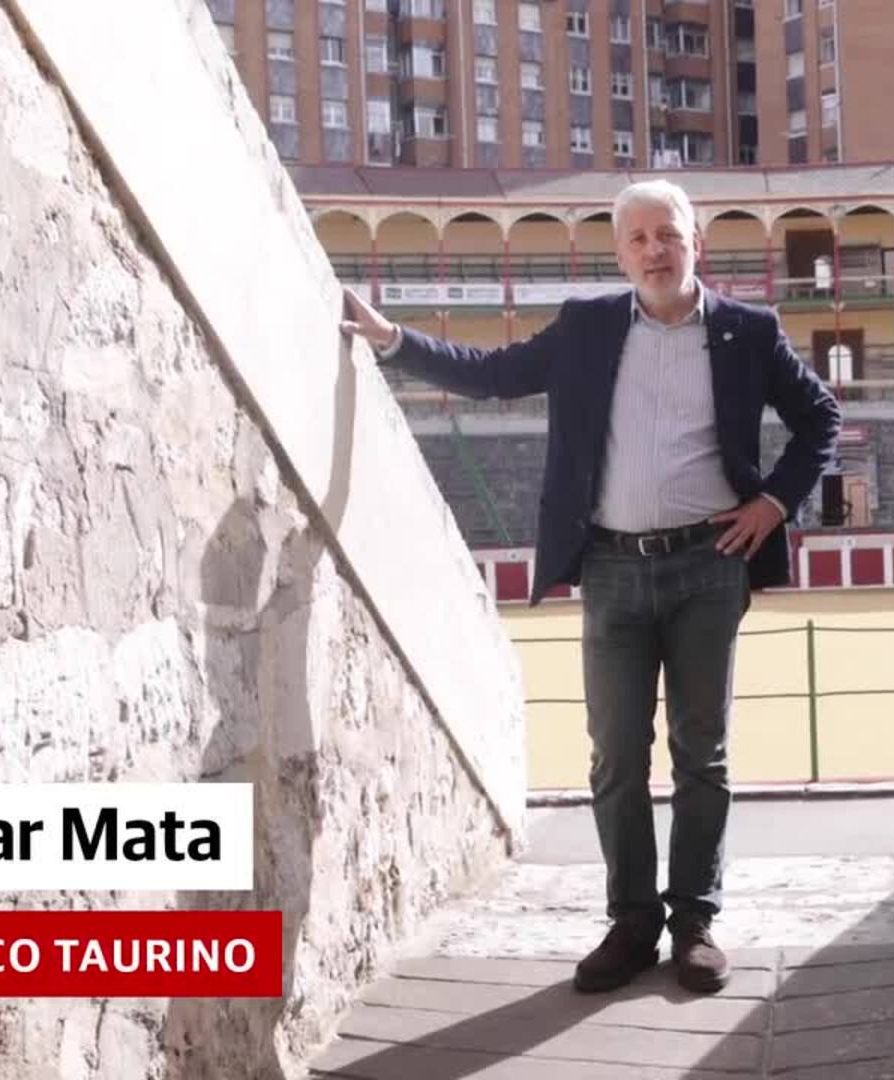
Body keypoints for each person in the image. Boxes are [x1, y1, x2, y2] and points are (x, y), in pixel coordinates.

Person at [339, 179, 841, 995]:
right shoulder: (587, 326)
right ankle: (633, 922)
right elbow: (494, 374)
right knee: (614, 755)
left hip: (709, 565)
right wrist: (395, 340)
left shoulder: (748, 331)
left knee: (702, 754)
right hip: (610, 568)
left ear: (696, 242)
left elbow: (820, 416)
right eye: (637, 238)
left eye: (667, 234)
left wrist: (775, 502)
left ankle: (695, 923)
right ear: (619, 254)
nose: (654, 250)